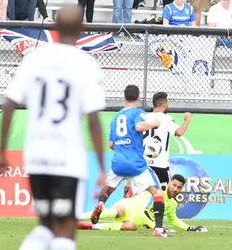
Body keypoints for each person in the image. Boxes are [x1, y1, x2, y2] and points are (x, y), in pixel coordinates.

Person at [0, 4, 107, 250]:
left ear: (55, 26)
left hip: (37, 156)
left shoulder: (35, 58)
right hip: (68, 158)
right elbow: (93, 119)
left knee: (46, 223)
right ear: (83, 29)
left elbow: (10, 103)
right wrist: (101, 165)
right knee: (66, 230)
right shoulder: (86, 64)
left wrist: (2, 152)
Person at [89, 84, 169, 238]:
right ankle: (158, 229)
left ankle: (100, 204)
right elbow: (139, 126)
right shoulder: (138, 112)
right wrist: (153, 123)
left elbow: (111, 144)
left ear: (124, 97)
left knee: (108, 187)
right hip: (136, 163)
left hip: (118, 161)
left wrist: (122, 148)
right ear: (139, 98)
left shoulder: (115, 117)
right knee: (157, 192)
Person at [78, 174, 207, 233]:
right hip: (127, 206)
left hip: (133, 220)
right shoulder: (157, 193)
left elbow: (173, 219)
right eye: (174, 185)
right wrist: (156, 227)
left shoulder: (172, 204)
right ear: (169, 183)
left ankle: (89, 226)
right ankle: (77, 216)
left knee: (131, 227)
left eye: (179, 187)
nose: (175, 189)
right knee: (117, 212)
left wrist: (188, 228)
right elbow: (142, 213)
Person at [144, 92, 192, 185]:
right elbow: (179, 132)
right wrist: (187, 120)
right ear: (164, 104)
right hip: (160, 165)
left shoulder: (144, 118)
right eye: (168, 103)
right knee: (162, 196)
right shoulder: (166, 118)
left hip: (143, 165)